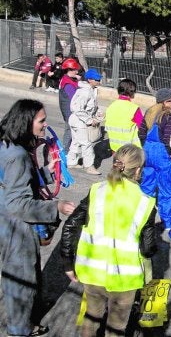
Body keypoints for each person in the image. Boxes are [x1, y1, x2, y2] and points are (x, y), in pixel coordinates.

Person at [60, 144, 157, 337]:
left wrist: (68, 263)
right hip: (125, 278)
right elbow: (147, 248)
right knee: (116, 327)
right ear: (138, 170)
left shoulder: (96, 190)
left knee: (91, 317)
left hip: (92, 271)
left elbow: (71, 225)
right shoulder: (146, 202)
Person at [0, 99, 76, 337]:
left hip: (5, 221)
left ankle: (25, 315)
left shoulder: (6, 144)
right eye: (41, 121)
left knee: (23, 276)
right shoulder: (18, 156)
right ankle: (20, 328)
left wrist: (45, 171)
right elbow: (17, 203)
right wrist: (56, 207)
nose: (45, 126)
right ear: (25, 121)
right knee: (22, 278)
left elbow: (13, 182)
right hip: (15, 227)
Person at [138, 88, 171, 234]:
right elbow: (168, 140)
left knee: (147, 187)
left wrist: (146, 148)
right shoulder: (169, 117)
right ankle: (167, 222)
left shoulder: (149, 113)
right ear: (164, 102)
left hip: (147, 151)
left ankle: (141, 217)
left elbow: (141, 133)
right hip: (161, 153)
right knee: (165, 190)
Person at [67, 68, 103, 175]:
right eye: (97, 79)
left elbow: (91, 107)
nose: (99, 81)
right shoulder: (85, 92)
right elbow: (77, 108)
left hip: (77, 120)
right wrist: (89, 120)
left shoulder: (90, 90)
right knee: (86, 143)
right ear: (90, 80)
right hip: (79, 121)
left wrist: (98, 113)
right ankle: (89, 166)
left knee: (76, 141)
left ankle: (71, 162)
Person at [105, 78, 143, 152]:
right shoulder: (134, 108)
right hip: (130, 149)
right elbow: (142, 128)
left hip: (114, 147)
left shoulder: (111, 106)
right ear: (132, 92)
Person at [58, 58, 81, 153]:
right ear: (69, 70)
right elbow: (74, 98)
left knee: (71, 131)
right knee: (69, 131)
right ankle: (65, 152)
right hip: (69, 111)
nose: (77, 71)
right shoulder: (67, 83)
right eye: (75, 70)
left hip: (69, 110)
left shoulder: (68, 79)